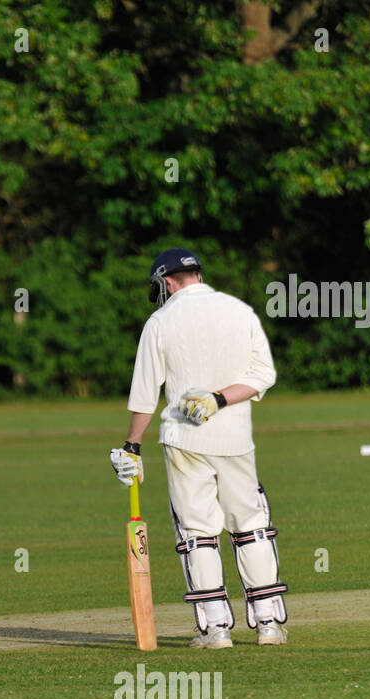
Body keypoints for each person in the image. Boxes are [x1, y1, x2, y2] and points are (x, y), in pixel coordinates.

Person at [110, 248, 287, 649]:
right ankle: (269, 624)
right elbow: (263, 377)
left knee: (198, 532)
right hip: (235, 440)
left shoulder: (160, 321)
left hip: (184, 439)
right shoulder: (240, 311)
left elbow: (144, 395)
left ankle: (215, 630)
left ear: (166, 282)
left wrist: (131, 446)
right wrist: (219, 400)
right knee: (251, 525)